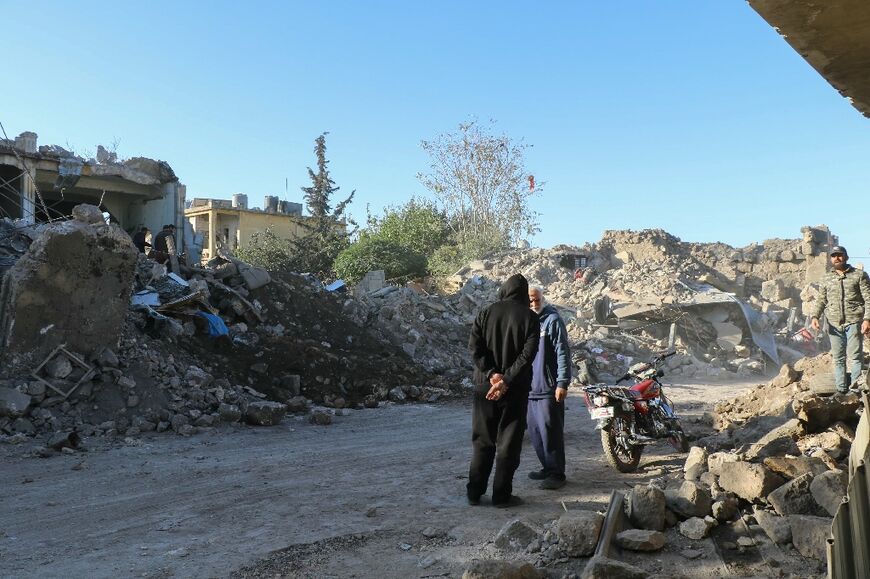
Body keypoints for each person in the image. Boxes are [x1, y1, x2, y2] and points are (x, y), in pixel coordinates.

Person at [467, 274, 539, 508]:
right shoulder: (530, 318)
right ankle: (501, 496)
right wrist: (506, 380)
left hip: (484, 388)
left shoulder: (486, 313)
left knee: (482, 441)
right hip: (514, 390)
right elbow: (527, 356)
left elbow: (475, 348)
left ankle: (474, 493)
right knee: (508, 443)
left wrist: (491, 374)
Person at [526, 286, 572, 490]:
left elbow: (563, 352)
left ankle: (557, 474)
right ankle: (546, 467)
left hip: (548, 387)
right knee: (536, 433)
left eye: (537, 300)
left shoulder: (552, 321)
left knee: (550, 432)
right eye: (530, 301)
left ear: (542, 298)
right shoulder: (527, 322)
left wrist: (562, 382)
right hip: (530, 388)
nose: (534, 304)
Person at [810, 245, 870, 393]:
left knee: (856, 356)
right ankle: (841, 390)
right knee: (838, 358)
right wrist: (815, 316)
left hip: (854, 321)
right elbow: (821, 300)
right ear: (830, 259)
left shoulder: (859, 275)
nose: (836, 258)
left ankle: (857, 389)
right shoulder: (826, 278)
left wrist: (867, 319)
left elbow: (868, 298)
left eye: (839, 255)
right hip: (834, 324)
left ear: (846, 257)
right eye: (833, 255)